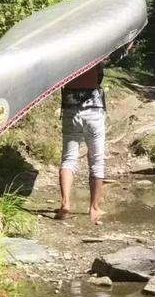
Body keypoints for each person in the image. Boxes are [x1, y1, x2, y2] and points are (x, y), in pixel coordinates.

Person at [56, 42, 132, 222]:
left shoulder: (64, 57)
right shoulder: (95, 52)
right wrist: (129, 42)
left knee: (69, 158)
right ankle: (94, 208)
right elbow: (118, 56)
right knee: (96, 160)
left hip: (70, 110)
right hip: (94, 113)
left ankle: (65, 203)